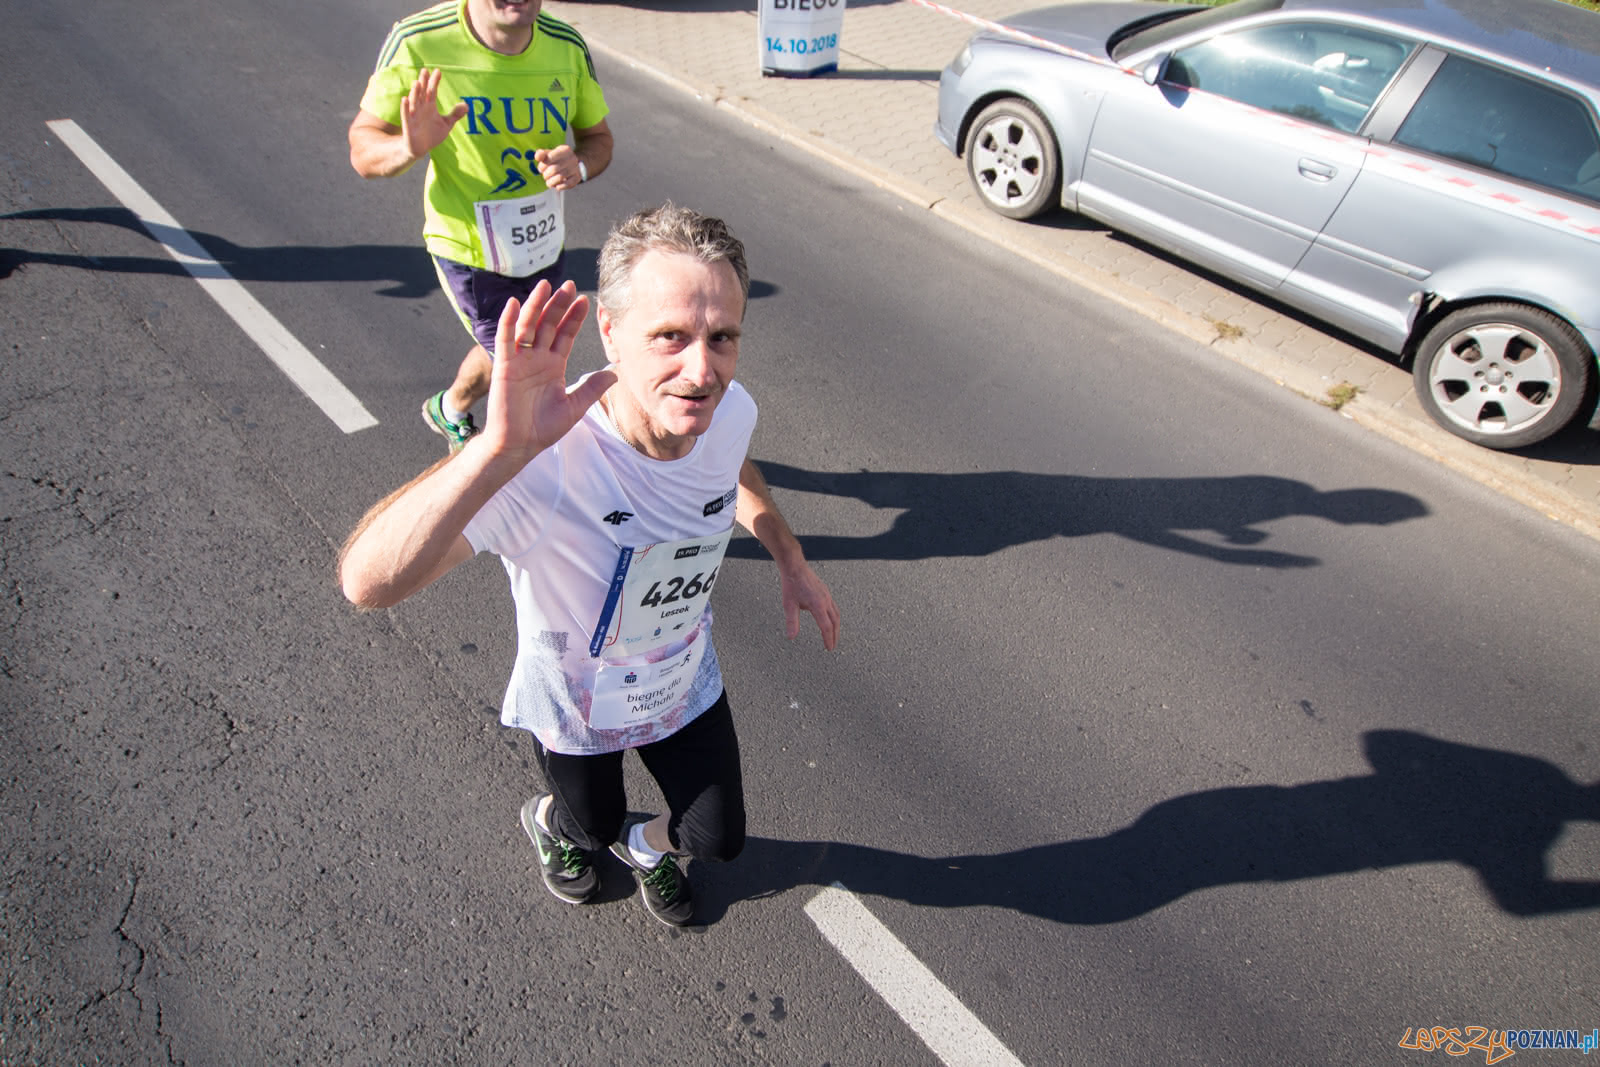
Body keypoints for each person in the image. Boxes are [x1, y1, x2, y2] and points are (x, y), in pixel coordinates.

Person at [339, 205, 841, 927]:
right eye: (670, 336)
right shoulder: (546, 465)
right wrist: (495, 450)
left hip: (677, 676)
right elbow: (366, 580)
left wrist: (787, 552)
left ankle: (647, 846)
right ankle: (556, 823)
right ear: (610, 332)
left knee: (717, 837)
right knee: (590, 824)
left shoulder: (728, 412)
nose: (701, 371)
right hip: (577, 702)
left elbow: (734, 466)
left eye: (722, 338)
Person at [348, 0, 614, 450]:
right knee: (524, 361)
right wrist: (409, 148)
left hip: (541, 242)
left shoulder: (566, 46)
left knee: (508, 350)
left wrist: (580, 166)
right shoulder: (418, 41)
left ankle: (450, 407)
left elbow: (598, 139)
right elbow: (363, 149)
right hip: (467, 246)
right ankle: (505, 477)